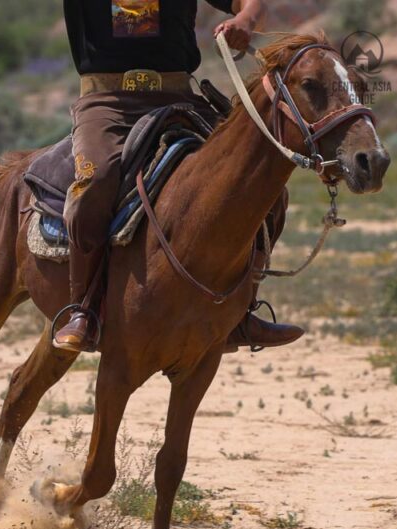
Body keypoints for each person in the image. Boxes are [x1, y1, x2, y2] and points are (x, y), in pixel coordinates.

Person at [52, 0, 304, 353]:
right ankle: (84, 309)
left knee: (262, 184)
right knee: (95, 181)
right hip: (108, 102)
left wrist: (245, 21)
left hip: (179, 96)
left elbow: (250, 3)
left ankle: (241, 311)